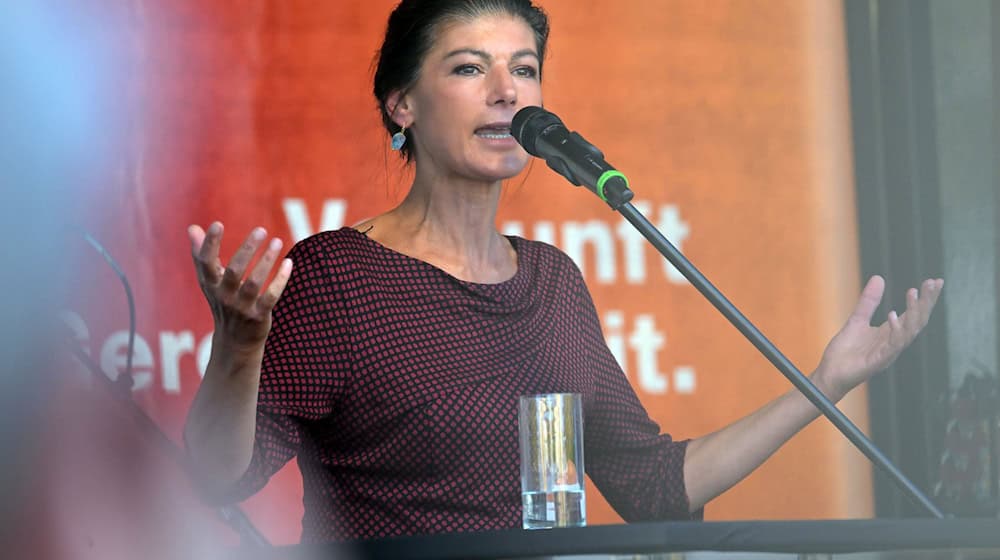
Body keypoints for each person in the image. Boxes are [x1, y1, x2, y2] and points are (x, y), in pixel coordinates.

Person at [183, 0, 944, 543]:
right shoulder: (338, 276)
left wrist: (827, 382)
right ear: (402, 104)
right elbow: (223, 479)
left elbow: (651, 486)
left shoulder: (551, 280)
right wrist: (240, 347)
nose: (508, 91)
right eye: (469, 68)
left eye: (524, 69)